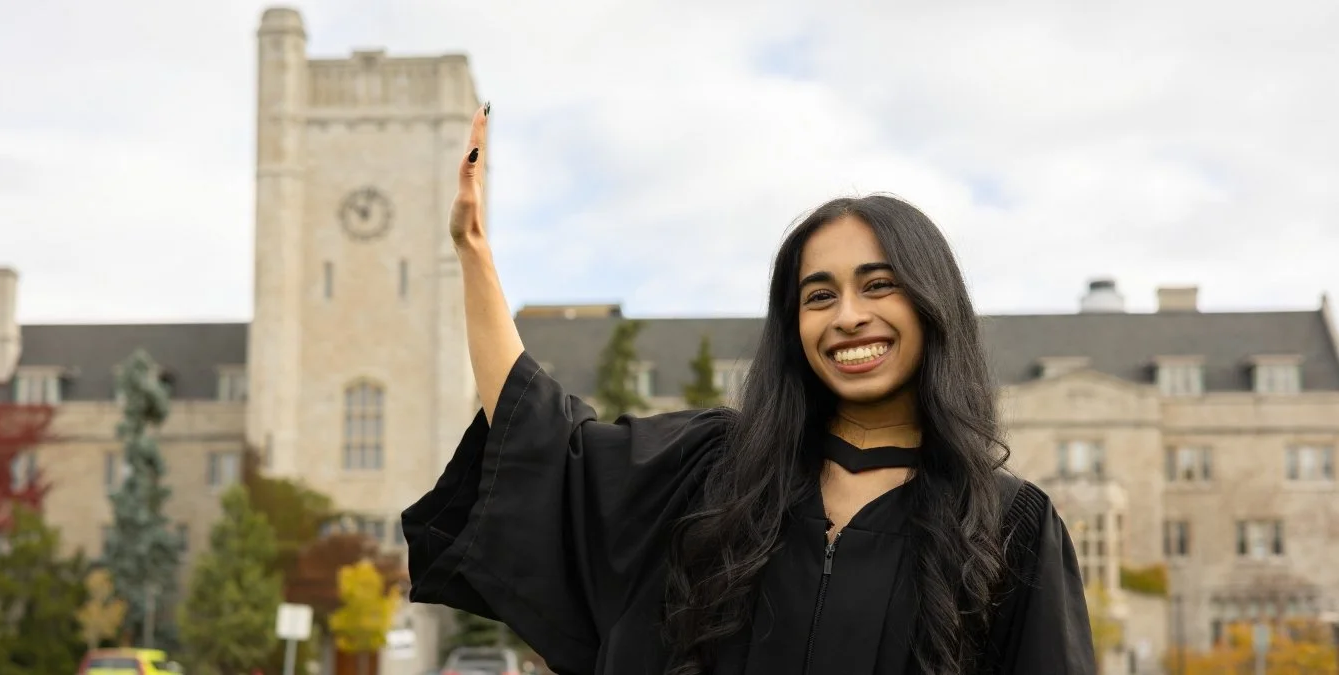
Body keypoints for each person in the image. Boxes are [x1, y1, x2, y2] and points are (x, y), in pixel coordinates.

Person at [402, 104, 1096, 675]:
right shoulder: (715, 475)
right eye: (818, 295)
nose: (849, 315)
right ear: (793, 326)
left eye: (878, 284)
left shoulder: (1008, 526)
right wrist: (474, 257)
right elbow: (548, 444)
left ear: (932, 304)